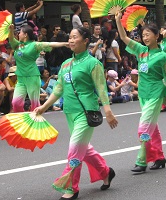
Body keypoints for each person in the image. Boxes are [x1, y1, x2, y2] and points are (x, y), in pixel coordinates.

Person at [34, 27, 118, 200]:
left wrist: (108, 111)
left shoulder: (93, 63)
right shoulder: (66, 64)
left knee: (74, 149)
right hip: (69, 112)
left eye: (75, 37)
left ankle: (71, 187)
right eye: (70, 37)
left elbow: (102, 88)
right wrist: (44, 107)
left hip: (86, 112)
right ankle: (106, 172)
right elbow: (58, 89)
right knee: (83, 149)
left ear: (86, 40)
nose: (71, 40)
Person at [115, 11, 166, 173]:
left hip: (156, 93)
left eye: (148, 35)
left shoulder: (163, 57)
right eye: (143, 35)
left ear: (157, 35)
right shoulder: (141, 51)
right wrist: (117, 20)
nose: (144, 38)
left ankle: (142, 160)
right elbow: (124, 38)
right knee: (153, 127)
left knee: (143, 128)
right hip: (143, 94)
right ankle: (159, 157)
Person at [8, 25, 69, 113]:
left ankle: (36, 123)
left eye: (20, 32)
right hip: (21, 78)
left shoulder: (34, 45)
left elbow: (50, 44)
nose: (18, 34)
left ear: (25, 35)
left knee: (34, 104)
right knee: (16, 103)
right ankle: (23, 122)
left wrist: (65, 44)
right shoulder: (17, 45)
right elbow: (10, 39)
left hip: (32, 77)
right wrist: (11, 30)